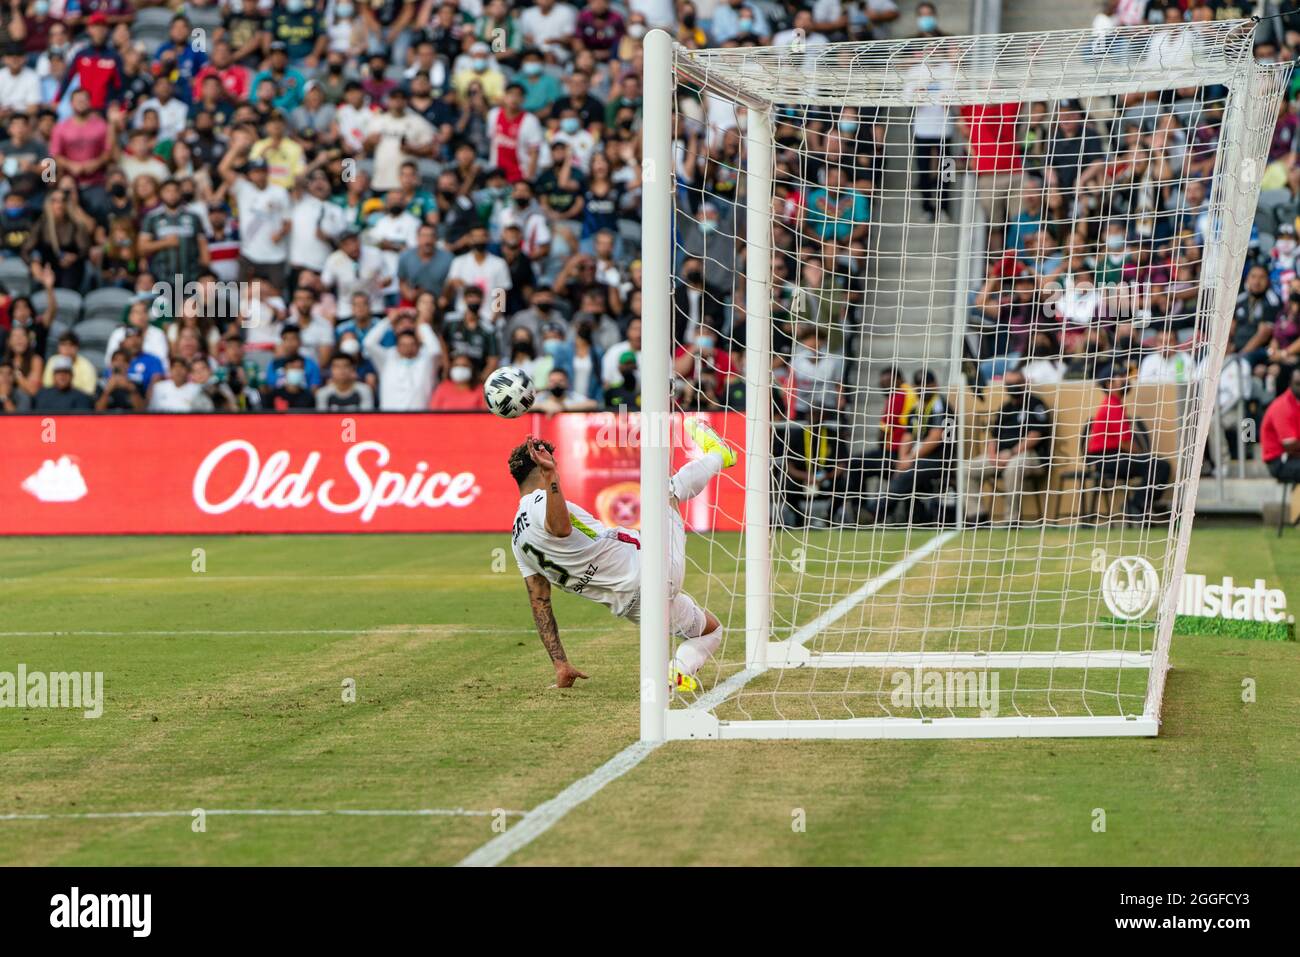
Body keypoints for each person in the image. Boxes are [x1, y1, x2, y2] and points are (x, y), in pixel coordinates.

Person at [508, 420, 735, 692]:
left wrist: (560, 663)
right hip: (652, 568)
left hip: (634, 605)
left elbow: (540, 602)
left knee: (710, 631)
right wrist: (552, 476)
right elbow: (561, 527)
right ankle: (719, 455)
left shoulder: (516, 540)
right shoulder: (539, 501)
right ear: (541, 466)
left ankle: (677, 672)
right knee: (666, 490)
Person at [863, 369, 954, 524]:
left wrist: (909, 459)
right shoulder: (916, 408)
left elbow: (935, 438)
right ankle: (870, 510)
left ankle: (874, 512)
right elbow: (907, 435)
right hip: (919, 457)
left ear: (935, 385)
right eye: (918, 384)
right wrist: (902, 458)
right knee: (869, 464)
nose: (922, 388)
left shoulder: (941, 406)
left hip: (941, 458)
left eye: (926, 384)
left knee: (908, 473)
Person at [963, 369, 1053, 525]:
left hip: (1030, 455)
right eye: (1009, 384)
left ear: (1025, 383)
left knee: (1013, 467)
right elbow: (993, 436)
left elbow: (1036, 435)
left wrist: (1011, 453)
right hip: (1001, 455)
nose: (1012, 387)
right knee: (964, 469)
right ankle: (978, 516)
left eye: (1016, 384)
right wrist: (993, 456)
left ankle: (1011, 519)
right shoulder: (1005, 408)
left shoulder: (1036, 404)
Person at [1084, 372, 1173, 523]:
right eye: (1119, 376)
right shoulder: (1112, 406)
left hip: (1114, 457)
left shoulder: (1115, 404)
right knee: (1160, 466)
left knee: (1156, 464)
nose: (1125, 379)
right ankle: (1137, 504)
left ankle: (1141, 503)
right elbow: (1125, 442)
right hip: (1108, 459)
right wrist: (1141, 455)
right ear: (1109, 384)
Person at [1260, 373, 1300, 487]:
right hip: (1279, 461)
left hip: (1293, 457)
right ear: (1290, 384)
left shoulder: (1296, 403)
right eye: (1297, 383)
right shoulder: (1283, 406)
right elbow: (1289, 445)